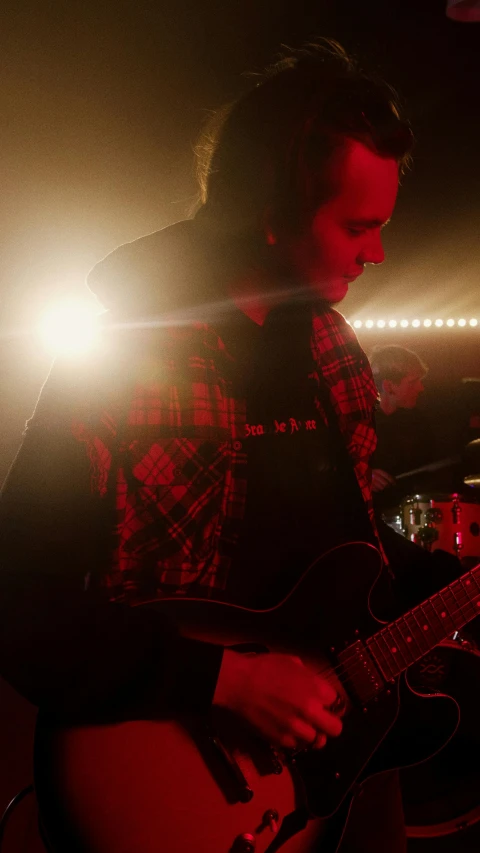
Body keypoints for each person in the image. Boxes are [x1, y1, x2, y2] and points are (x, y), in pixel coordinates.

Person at [0, 40, 459, 853]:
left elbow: (341, 545)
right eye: (358, 225)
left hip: (337, 765)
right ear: (269, 212)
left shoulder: (337, 356)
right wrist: (227, 678)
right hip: (163, 782)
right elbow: (19, 606)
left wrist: (446, 580)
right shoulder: (119, 361)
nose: (378, 251)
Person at [369, 344, 436, 511]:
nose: (421, 388)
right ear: (388, 386)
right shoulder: (356, 423)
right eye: (413, 382)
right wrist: (363, 476)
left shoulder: (419, 422)